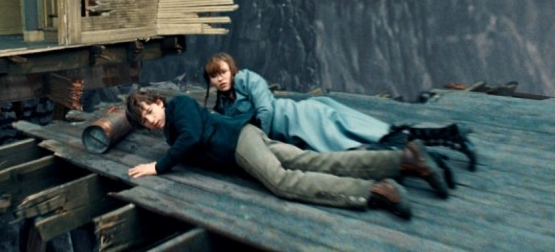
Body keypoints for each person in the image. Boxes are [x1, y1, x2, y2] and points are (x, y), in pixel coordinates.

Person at [125, 91, 450, 220]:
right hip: (247, 139)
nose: (150, 120)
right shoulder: (172, 129)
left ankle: (375, 191)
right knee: (313, 162)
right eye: (144, 122)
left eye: (150, 111)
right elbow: (186, 141)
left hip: (239, 144)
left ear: (159, 102)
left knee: (283, 182)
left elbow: (192, 137)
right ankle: (403, 160)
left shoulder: (180, 106)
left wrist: (159, 166)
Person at [203, 53, 477, 171]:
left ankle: (441, 145)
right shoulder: (223, 104)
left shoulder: (247, 79)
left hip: (302, 119)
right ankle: (444, 141)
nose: (220, 79)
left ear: (232, 69)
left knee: (368, 140)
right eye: (214, 76)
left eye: (223, 72)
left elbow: (265, 109)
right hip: (293, 134)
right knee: (367, 140)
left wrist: (257, 139)